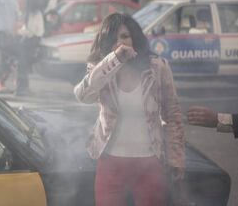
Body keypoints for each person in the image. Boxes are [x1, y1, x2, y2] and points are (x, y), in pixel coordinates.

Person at [74, 13, 185, 206]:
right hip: (110, 163)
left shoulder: (157, 67)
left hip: (149, 163)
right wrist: (114, 60)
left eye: (125, 36)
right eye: (113, 39)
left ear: (135, 38)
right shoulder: (99, 69)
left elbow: (173, 114)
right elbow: (83, 96)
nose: (120, 42)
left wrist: (176, 158)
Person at [16, 0, 45, 95]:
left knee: (23, 66)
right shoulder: (28, 13)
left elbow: (34, 31)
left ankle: (22, 89)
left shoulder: (35, 14)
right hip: (26, 42)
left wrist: (20, 31)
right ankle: (21, 89)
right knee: (22, 66)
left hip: (30, 41)